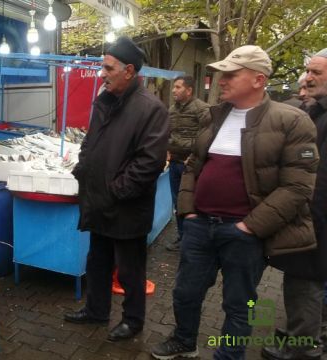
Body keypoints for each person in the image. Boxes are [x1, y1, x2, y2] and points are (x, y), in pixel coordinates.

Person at [151, 45, 318, 360]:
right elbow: (193, 166)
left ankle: (229, 355)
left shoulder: (291, 121)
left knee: (241, 304)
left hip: (243, 233)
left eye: (230, 74)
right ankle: (185, 341)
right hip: (200, 226)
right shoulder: (215, 115)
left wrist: (249, 227)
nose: (220, 80)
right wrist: (187, 212)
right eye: (220, 74)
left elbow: (297, 187)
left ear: (258, 79)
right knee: (185, 292)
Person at [64, 36, 169, 342]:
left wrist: (115, 191)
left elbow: (150, 163)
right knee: (96, 262)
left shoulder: (152, 109)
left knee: (129, 270)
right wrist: (83, 170)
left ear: (129, 70)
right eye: (102, 67)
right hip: (99, 202)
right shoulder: (104, 101)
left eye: (108, 67)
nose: (103, 73)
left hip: (126, 207)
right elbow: (89, 142)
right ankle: (96, 311)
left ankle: (133, 320)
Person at [262, 48, 327, 360]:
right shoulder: (315, 111)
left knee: (307, 284)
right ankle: (297, 336)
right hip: (307, 216)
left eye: (316, 72)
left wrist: (308, 217)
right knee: (299, 283)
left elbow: (320, 176)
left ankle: (302, 349)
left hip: (316, 220)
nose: (308, 77)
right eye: (308, 71)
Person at [165, 75, 210, 251]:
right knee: (178, 203)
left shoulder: (202, 109)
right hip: (175, 163)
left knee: (191, 203)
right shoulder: (172, 110)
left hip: (191, 166)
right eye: (174, 87)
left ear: (189, 90)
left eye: (178, 87)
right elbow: (169, 133)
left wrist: (192, 155)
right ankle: (182, 236)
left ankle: (193, 239)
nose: (173, 90)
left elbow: (206, 137)